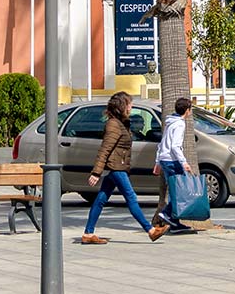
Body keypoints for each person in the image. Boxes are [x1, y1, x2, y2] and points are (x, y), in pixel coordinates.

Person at [79, 91, 167, 244]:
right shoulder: (114, 124)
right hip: (116, 168)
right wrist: (96, 172)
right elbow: (105, 149)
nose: (131, 107)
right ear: (122, 106)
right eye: (129, 104)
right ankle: (151, 230)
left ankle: (88, 233)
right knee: (131, 198)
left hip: (118, 166)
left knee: (101, 199)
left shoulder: (121, 123)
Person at [152, 97, 196, 233]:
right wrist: (184, 163)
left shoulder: (170, 122)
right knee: (179, 191)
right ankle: (167, 214)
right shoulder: (179, 124)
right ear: (187, 110)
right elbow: (175, 146)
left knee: (174, 190)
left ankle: (175, 222)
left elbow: (163, 142)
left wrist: (158, 161)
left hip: (165, 159)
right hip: (172, 161)